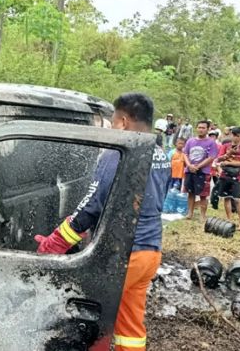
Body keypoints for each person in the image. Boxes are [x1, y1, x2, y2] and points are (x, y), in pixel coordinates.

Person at [35, 93, 170, 351]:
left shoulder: (118, 153)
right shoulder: (160, 154)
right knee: (130, 325)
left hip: (123, 257)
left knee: (89, 318)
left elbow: (91, 204)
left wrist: (55, 243)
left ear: (123, 121)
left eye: (112, 121)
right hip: (150, 252)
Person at [183, 120, 219, 221]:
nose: (201, 130)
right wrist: (189, 165)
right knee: (190, 192)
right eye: (199, 127)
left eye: (203, 128)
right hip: (190, 170)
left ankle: (203, 215)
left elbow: (211, 157)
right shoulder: (190, 141)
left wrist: (198, 166)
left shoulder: (211, 142)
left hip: (203, 172)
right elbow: (185, 154)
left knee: (203, 194)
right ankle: (190, 213)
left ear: (207, 129)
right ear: (196, 128)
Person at [216, 127, 240, 230]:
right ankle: (229, 219)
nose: (235, 138)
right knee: (226, 198)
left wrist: (229, 162)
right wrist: (227, 155)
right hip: (224, 175)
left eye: (237, 136)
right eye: (233, 135)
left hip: (237, 177)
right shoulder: (225, 146)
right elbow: (219, 158)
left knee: (237, 199)